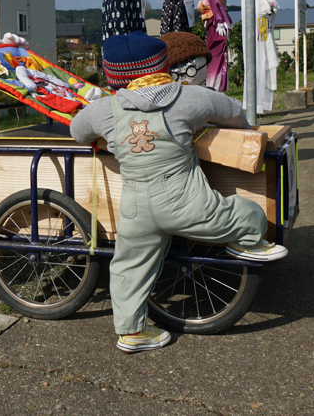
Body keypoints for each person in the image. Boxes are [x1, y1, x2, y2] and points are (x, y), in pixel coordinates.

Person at [69, 31, 286, 353]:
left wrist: (107, 138)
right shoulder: (190, 97)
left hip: (135, 210)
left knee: (129, 266)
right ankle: (248, 242)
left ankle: (132, 332)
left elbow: (76, 131)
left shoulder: (104, 110)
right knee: (246, 211)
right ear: (162, 64)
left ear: (112, 74)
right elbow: (234, 113)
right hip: (186, 204)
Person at [197, 0, 238, 91]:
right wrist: (220, 20)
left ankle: (216, 85)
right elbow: (214, 2)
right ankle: (213, 85)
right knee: (216, 52)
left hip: (217, 18)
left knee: (218, 52)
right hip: (216, 21)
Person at [243, 0, 279, 115]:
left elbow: (274, 7)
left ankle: (263, 104)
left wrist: (271, 10)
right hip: (257, 34)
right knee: (257, 66)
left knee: (267, 66)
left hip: (267, 34)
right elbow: (254, 12)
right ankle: (254, 105)